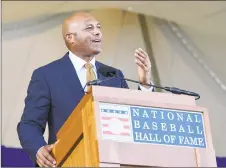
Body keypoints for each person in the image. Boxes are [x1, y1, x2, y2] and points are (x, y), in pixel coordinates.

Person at [17, 12, 153, 167]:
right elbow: (29, 124)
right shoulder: (47, 75)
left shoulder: (114, 75)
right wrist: (39, 149)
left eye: (98, 27)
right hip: (68, 161)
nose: (97, 32)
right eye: (89, 28)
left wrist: (145, 83)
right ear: (70, 38)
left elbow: (135, 120)